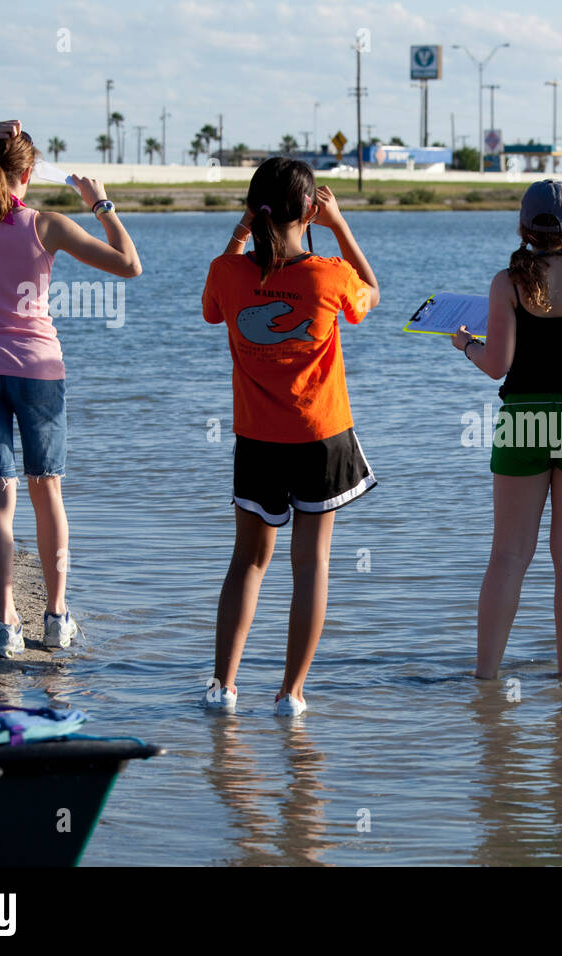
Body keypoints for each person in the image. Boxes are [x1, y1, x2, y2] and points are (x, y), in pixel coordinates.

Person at [0, 121, 141, 657]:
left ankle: (5, 624)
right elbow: (130, 265)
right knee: (47, 493)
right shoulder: (48, 225)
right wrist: (101, 203)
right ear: (27, 172)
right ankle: (56, 617)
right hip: (39, 371)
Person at [202, 158, 379, 718]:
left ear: (254, 211)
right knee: (312, 563)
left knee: (247, 561)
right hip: (319, 437)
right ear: (309, 211)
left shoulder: (227, 274)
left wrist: (238, 231)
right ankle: (291, 695)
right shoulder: (328, 275)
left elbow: (212, 310)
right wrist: (340, 224)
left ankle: (223, 688)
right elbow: (371, 292)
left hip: (257, 439)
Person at [452, 180, 562, 679]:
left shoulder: (507, 282)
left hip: (525, 419)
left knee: (508, 554)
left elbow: (496, 365)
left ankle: (486, 676)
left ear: (522, 226)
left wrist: (465, 344)